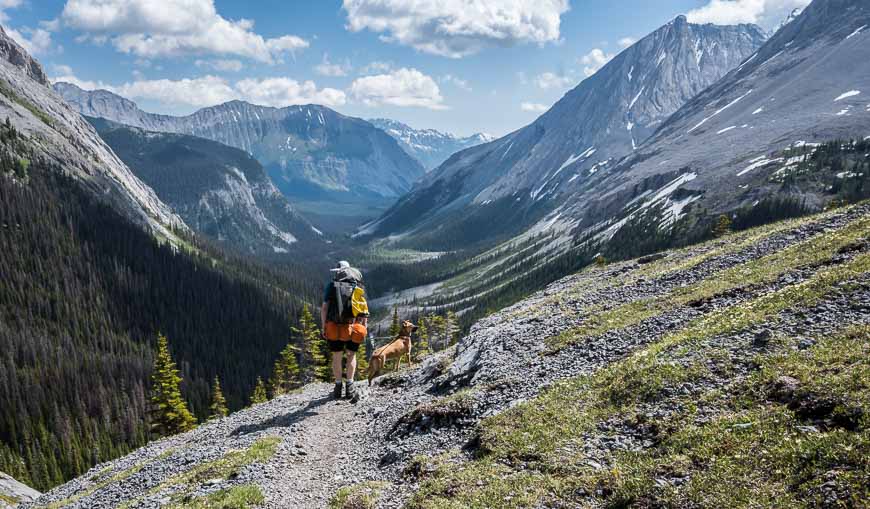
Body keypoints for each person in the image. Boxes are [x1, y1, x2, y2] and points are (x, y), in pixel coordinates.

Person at [321, 260, 368, 400]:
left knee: (337, 356)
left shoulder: (331, 285)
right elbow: (363, 309)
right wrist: (363, 326)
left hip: (334, 326)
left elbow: (324, 308)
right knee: (351, 355)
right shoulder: (357, 285)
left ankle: (337, 387)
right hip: (352, 326)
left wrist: (324, 325)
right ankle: (350, 387)